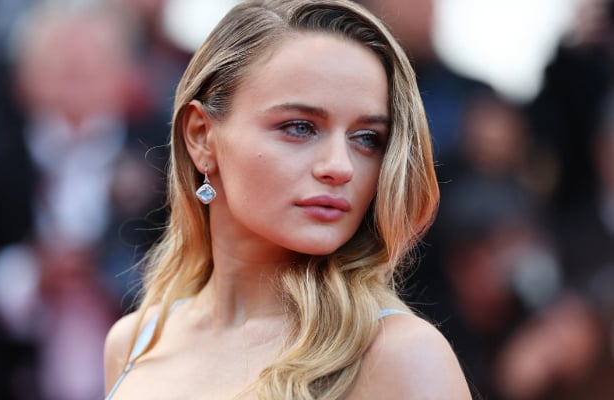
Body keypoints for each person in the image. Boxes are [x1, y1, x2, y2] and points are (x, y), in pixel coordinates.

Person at [103, 0, 471, 398]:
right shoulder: (133, 343)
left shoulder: (401, 354)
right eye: (299, 128)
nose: (340, 166)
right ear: (201, 136)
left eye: (367, 138)